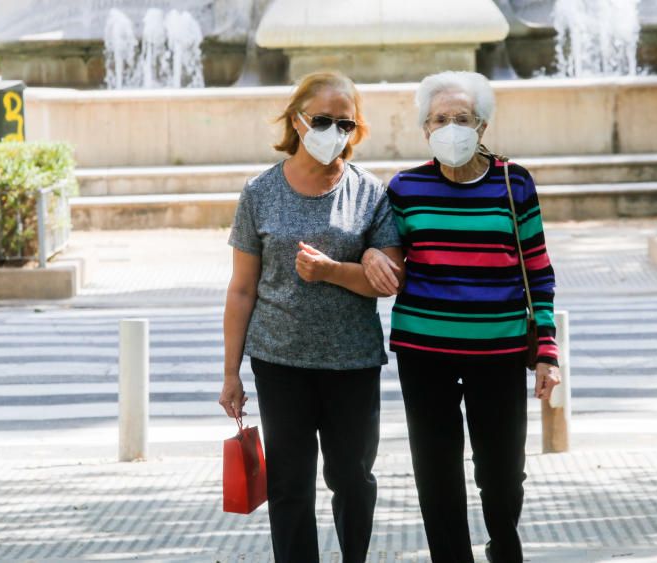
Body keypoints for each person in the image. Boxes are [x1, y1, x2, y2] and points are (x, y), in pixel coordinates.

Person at [361, 71, 561, 563]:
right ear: (426, 130)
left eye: (463, 118)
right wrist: (370, 256)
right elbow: (385, 253)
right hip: (424, 351)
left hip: (499, 348)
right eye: (440, 119)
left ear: (483, 126)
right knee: (435, 469)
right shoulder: (405, 188)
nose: (452, 127)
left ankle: (503, 545)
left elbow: (538, 268)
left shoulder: (515, 182)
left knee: (502, 471)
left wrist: (548, 354)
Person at [219, 71, 404, 563]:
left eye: (346, 123)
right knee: (290, 484)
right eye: (323, 120)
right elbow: (241, 290)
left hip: (352, 362)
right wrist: (230, 373)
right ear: (298, 121)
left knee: (352, 479)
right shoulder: (259, 192)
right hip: (280, 362)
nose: (334, 133)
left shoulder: (371, 194)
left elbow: (387, 280)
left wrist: (332, 271)